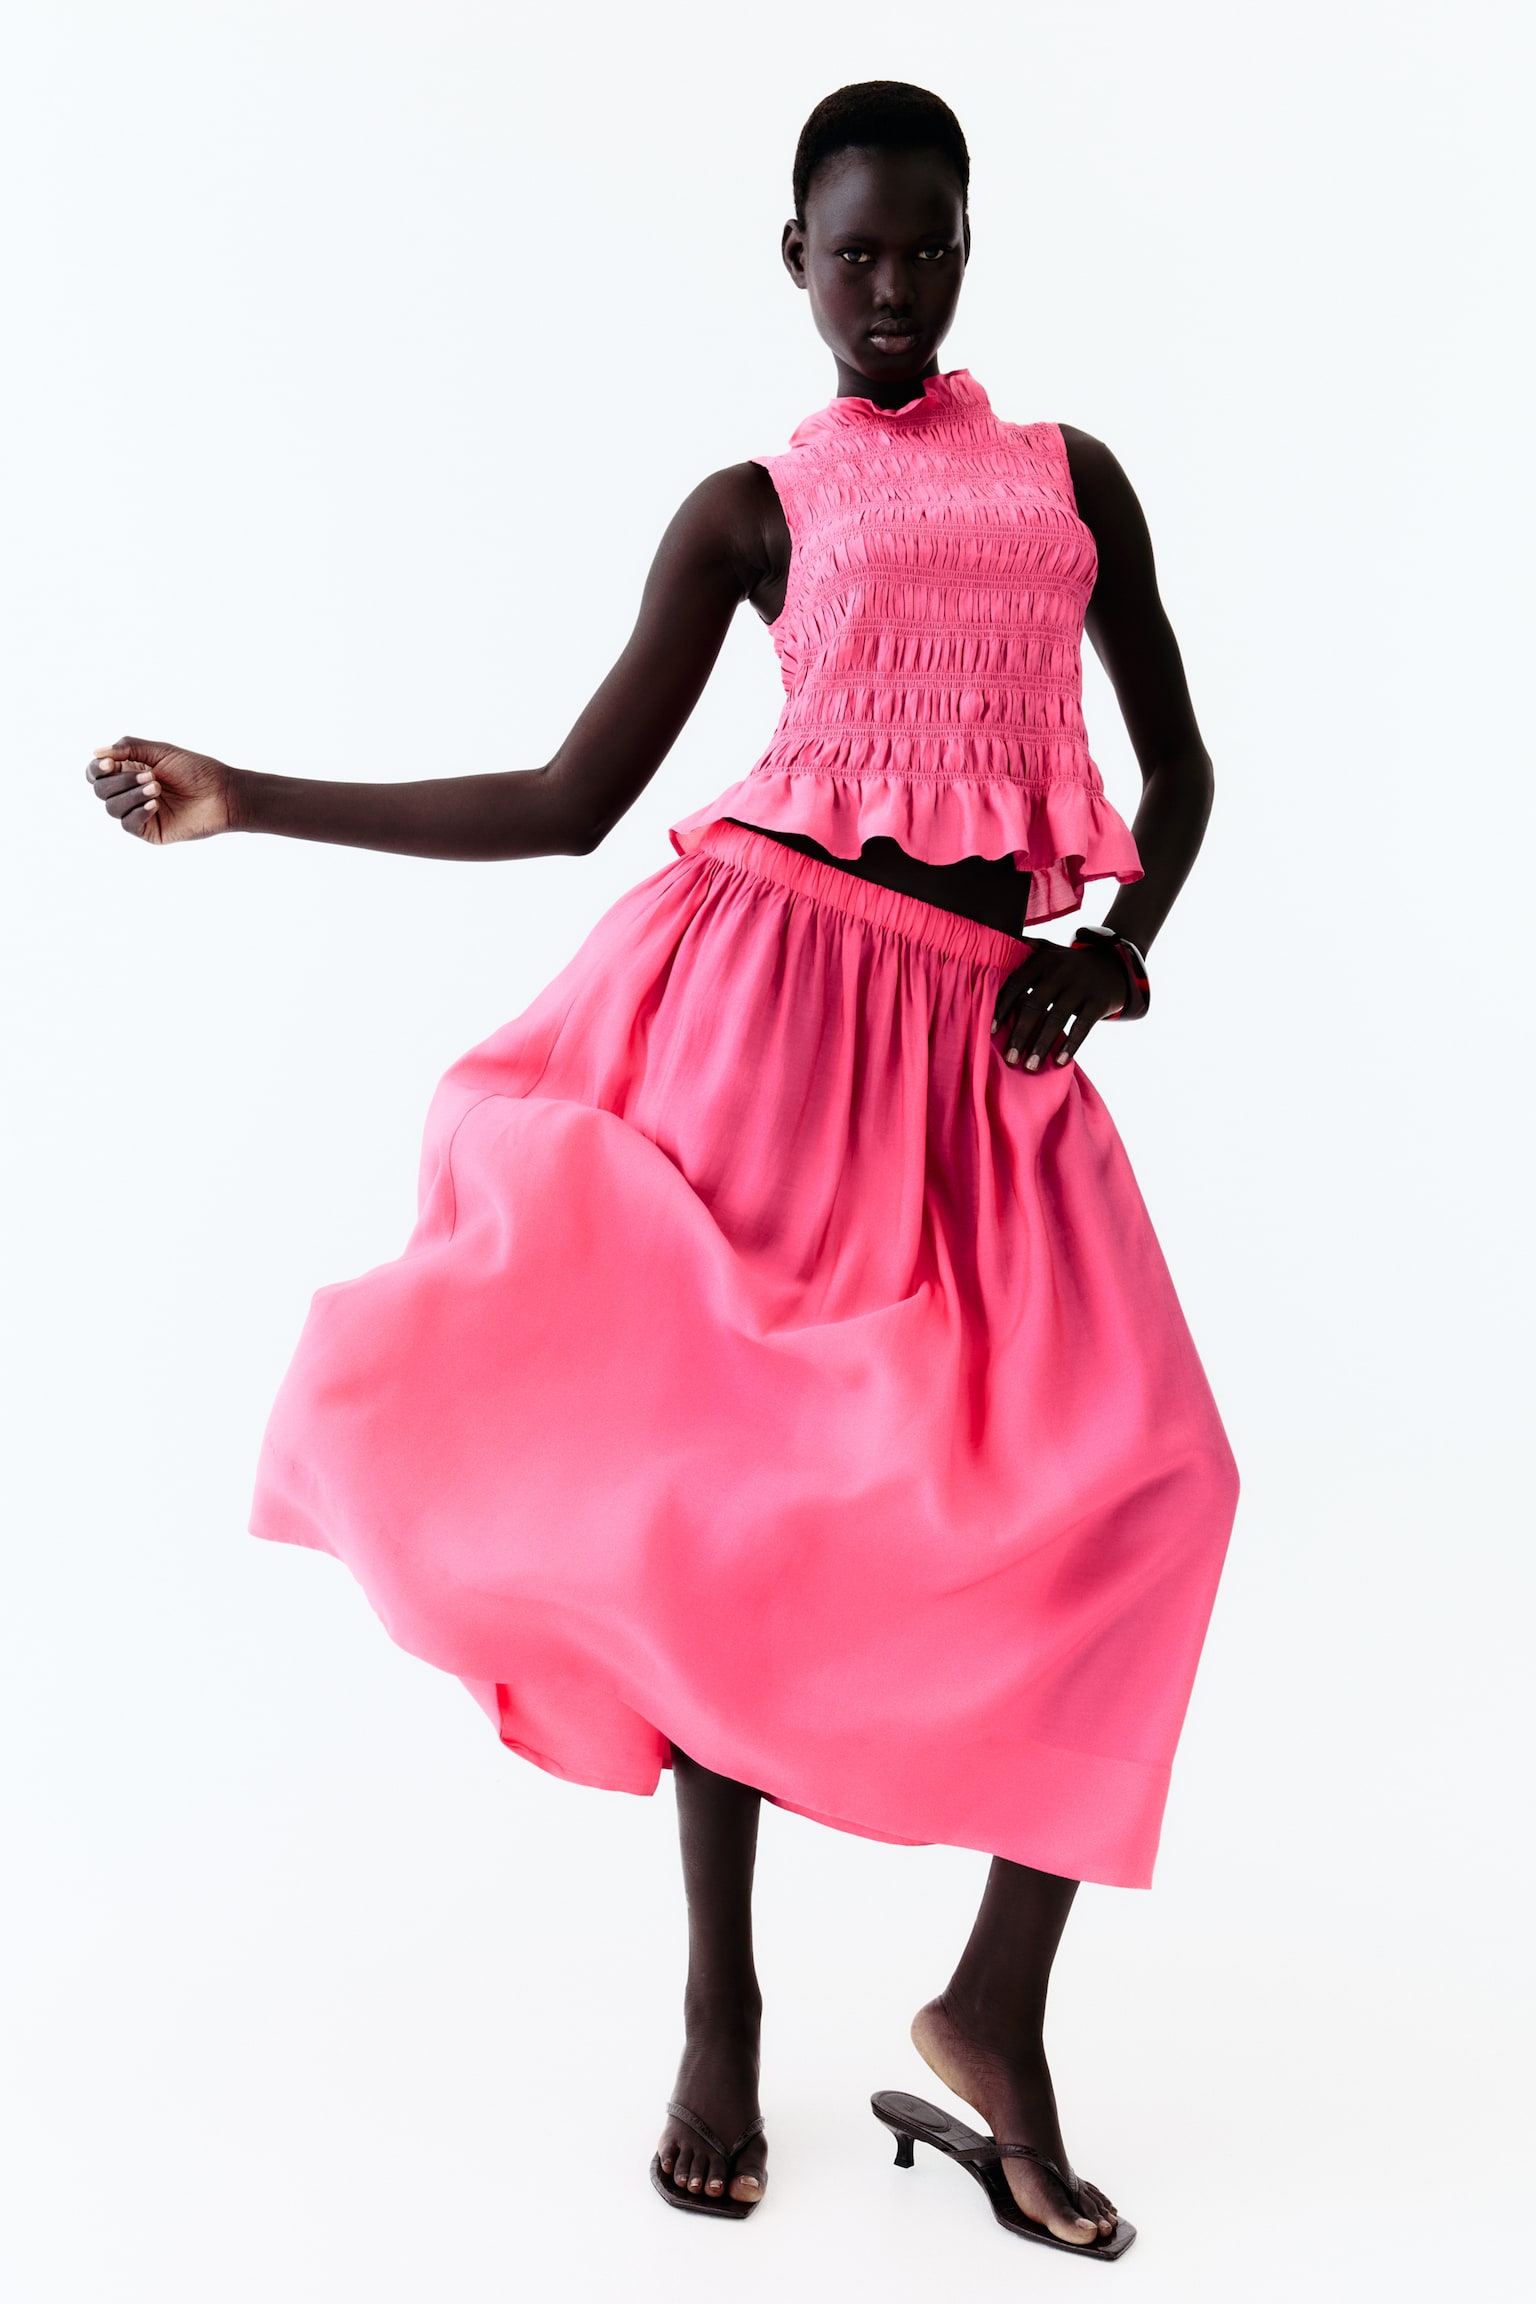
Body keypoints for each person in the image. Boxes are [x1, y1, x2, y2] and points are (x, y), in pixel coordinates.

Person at [86, 81, 1238, 2259]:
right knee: (730, 1499)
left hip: (977, 1046)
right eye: (852, 253)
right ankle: (722, 2005)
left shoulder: (1073, 483)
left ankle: (994, 2012)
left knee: (1161, 1480)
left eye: (925, 248)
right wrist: (247, 794)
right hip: (767, 1007)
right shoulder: (751, 513)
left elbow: (1179, 770)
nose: (890, 288)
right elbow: (563, 798)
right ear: (793, 261)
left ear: (970, 248)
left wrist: (1114, 953)